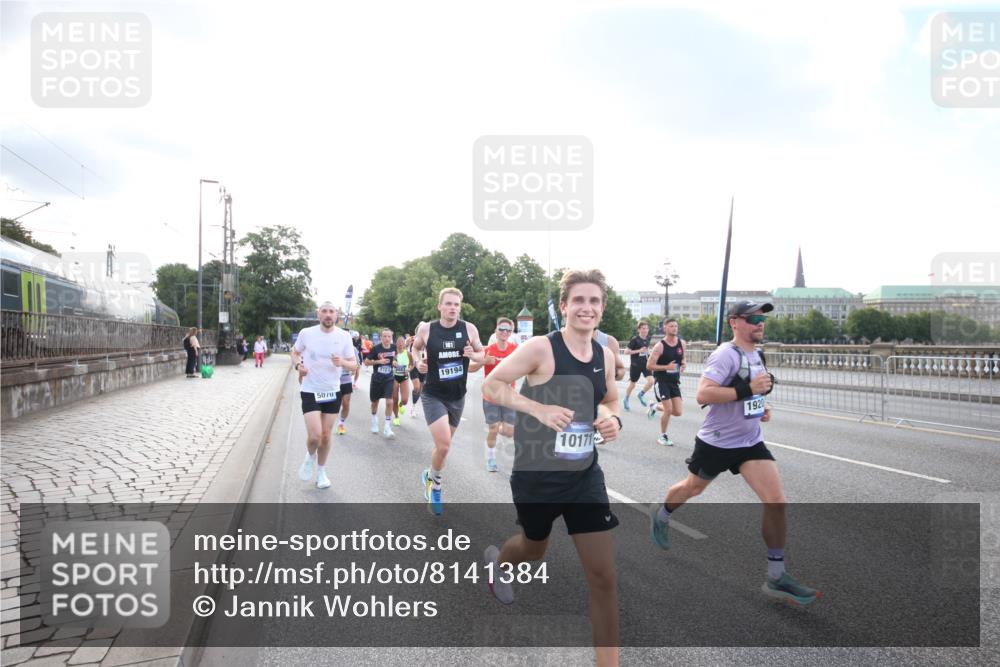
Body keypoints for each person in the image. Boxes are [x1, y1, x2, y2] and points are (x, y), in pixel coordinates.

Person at [482, 269, 622, 667]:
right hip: (537, 474)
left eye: (594, 301)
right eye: (579, 300)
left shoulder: (605, 355)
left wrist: (614, 418)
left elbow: (609, 399)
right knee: (532, 549)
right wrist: (537, 408)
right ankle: (501, 563)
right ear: (564, 306)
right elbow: (492, 385)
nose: (587, 308)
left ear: (602, 309)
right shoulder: (542, 348)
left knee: (604, 578)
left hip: (583, 476)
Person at [650, 301, 820, 606]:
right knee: (692, 488)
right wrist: (746, 390)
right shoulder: (726, 354)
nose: (760, 323)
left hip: (749, 442)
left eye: (762, 318)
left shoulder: (758, 355)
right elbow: (704, 394)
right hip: (716, 442)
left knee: (777, 502)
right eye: (753, 318)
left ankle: (776, 575)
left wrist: (761, 407)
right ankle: (661, 514)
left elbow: (750, 394)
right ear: (734, 323)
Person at [411, 288, 485, 515]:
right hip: (433, 394)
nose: (453, 308)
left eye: (456, 305)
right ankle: (436, 485)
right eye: (449, 304)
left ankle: (429, 474)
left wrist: (473, 355)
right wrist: (417, 362)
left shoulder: (469, 329)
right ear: (440, 307)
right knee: (444, 445)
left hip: (457, 396)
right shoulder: (427, 329)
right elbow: (415, 348)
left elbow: (482, 355)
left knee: (442, 450)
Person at [291, 301, 357, 489]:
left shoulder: (344, 336)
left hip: (332, 390)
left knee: (326, 436)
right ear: (318, 314)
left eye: (332, 312)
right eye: (325, 311)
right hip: (311, 389)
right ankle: (310, 456)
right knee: (315, 436)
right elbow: (294, 353)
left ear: (336, 316)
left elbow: (354, 365)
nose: (328, 315)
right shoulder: (306, 333)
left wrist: (343, 362)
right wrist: (298, 366)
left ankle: (321, 472)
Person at [469, 317, 518, 472]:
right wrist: (484, 362)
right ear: (496, 331)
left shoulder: (515, 350)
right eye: (501, 329)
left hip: (508, 396)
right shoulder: (488, 350)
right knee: (493, 428)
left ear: (511, 332)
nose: (504, 332)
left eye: (508, 330)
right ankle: (491, 458)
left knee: (509, 432)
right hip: (490, 395)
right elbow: (470, 368)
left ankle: (502, 427)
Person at [645, 318, 686, 446]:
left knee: (678, 412)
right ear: (665, 328)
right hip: (661, 381)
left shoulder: (682, 343)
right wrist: (666, 367)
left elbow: (682, 357)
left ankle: (654, 407)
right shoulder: (660, 346)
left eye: (676, 326)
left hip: (674, 382)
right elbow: (649, 366)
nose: (674, 328)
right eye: (671, 326)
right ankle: (663, 436)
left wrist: (684, 363)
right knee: (668, 410)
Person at [364, 328, 398, 438]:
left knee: (389, 402)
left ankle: (387, 427)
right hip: (377, 379)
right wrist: (379, 361)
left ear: (391, 338)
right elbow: (366, 362)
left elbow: (395, 359)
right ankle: (374, 419)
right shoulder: (375, 348)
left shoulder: (394, 347)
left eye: (389, 336)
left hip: (388, 378)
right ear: (381, 337)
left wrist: (394, 362)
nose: (387, 338)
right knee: (375, 403)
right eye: (385, 336)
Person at [622, 321, 655, 411]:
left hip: (645, 364)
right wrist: (639, 351)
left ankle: (641, 394)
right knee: (632, 384)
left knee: (651, 381)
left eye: (647, 328)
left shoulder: (647, 339)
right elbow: (626, 352)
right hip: (635, 365)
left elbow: (645, 351)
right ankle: (626, 399)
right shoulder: (634, 339)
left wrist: (649, 354)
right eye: (643, 328)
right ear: (639, 329)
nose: (645, 330)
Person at [407, 324, 426, 419]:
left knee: (421, 389)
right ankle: (412, 409)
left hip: (423, 366)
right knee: (417, 387)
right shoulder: (412, 339)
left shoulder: (428, 339)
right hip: (414, 366)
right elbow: (404, 348)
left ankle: (414, 406)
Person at [391, 335, 411, 426]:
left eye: (402, 342)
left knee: (405, 400)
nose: (400, 344)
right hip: (394, 377)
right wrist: (393, 363)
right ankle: (396, 417)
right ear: (396, 343)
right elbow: (392, 361)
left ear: (404, 343)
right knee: (394, 398)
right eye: (398, 342)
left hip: (404, 377)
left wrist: (409, 369)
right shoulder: (394, 353)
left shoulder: (408, 354)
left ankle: (401, 405)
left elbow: (412, 364)